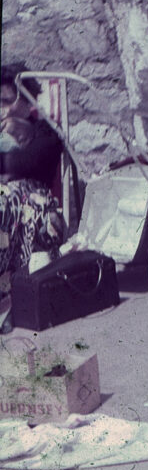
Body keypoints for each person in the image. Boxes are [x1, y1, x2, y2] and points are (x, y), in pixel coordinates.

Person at [1, 64, 65, 333]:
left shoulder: (45, 134)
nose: (0, 109)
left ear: (27, 105)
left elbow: (29, 162)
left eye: (5, 101)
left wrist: (16, 134)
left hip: (33, 212)